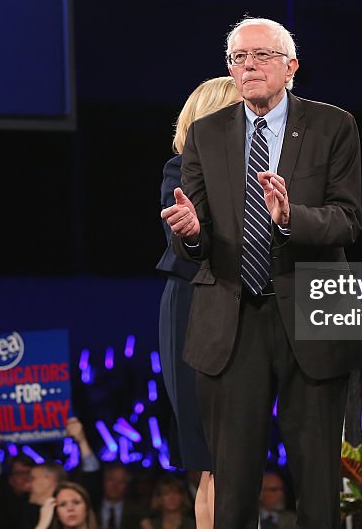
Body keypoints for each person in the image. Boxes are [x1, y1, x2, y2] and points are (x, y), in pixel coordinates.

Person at [161, 17, 362, 528]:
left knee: (318, 478)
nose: (248, 66)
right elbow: (196, 243)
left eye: (260, 55)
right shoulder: (206, 136)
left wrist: (290, 217)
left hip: (310, 317)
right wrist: (190, 232)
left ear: (291, 67)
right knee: (231, 481)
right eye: (238, 58)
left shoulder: (333, 125)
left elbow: (348, 220)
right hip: (231, 322)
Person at [156, 76, 241, 529]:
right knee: (214, 457)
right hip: (196, 310)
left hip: (244, 310)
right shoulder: (183, 169)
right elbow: (191, 243)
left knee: (241, 456)